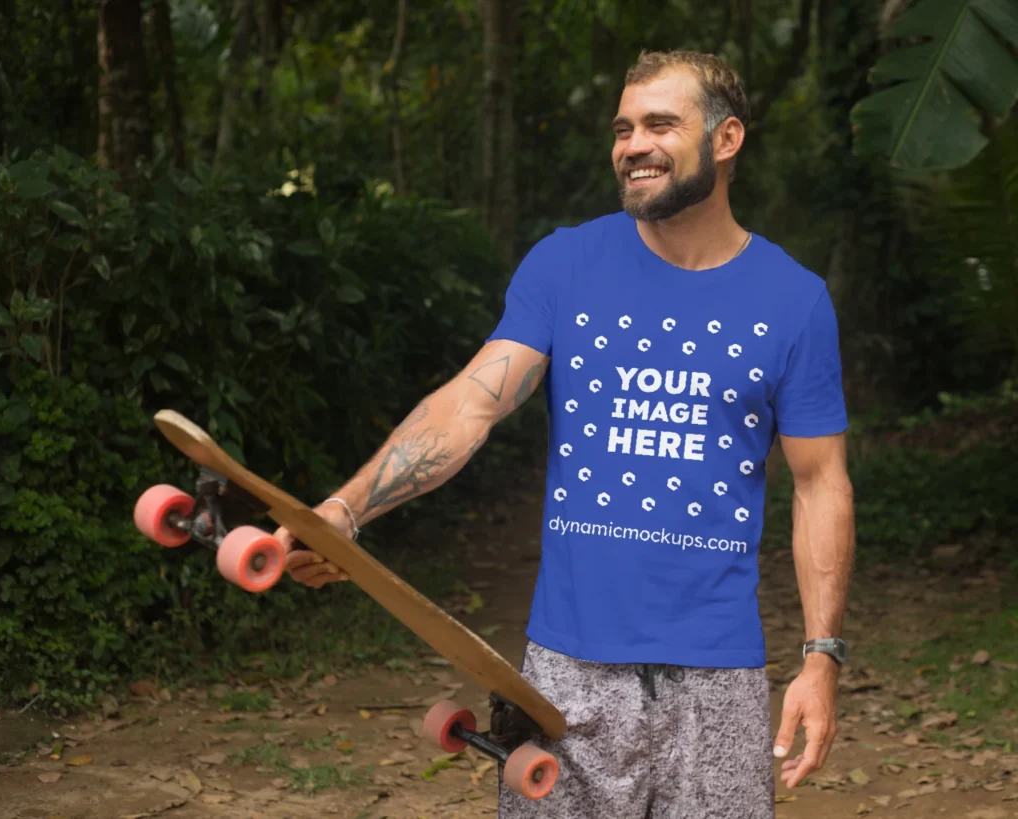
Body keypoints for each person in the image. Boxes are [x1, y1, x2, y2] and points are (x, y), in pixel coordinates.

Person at [274, 49, 855, 819]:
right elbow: (469, 406)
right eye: (622, 127)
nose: (632, 144)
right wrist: (345, 512)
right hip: (568, 671)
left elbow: (820, 483)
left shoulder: (794, 300)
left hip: (718, 677)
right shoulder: (567, 265)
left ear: (726, 139)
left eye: (659, 124)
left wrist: (821, 657)